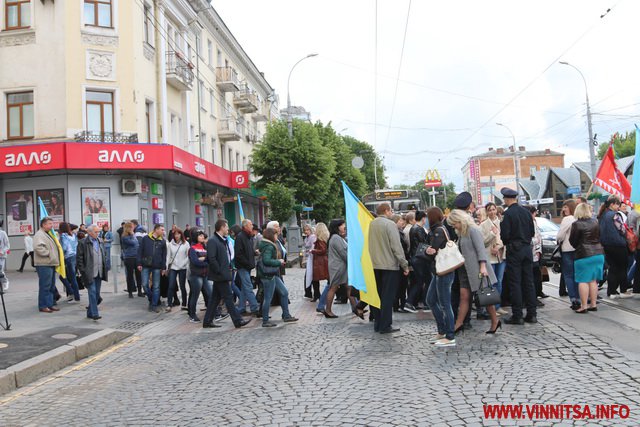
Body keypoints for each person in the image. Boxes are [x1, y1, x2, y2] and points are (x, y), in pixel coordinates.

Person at [448, 209, 500, 335]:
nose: (453, 226)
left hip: (477, 269)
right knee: (464, 297)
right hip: (465, 270)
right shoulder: (462, 232)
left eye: (454, 223)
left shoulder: (473, 230)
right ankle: (458, 324)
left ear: (460, 220)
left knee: (485, 298)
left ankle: (495, 321)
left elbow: (480, 249)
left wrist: (483, 267)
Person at [368, 203, 410, 334]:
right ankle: (385, 325)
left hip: (374, 265)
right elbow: (396, 247)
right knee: (388, 296)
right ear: (386, 211)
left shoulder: (372, 224)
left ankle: (378, 323)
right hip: (389, 265)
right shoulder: (390, 225)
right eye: (390, 211)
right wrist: (404, 264)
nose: (392, 213)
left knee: (378, 295)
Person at [202, 219, 251, 329]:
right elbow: (212, 258)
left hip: (224, 273)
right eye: (226, 227)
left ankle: (207, 321)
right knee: (228, 297)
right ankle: (237, 321)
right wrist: (219, 270)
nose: (228, 229)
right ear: (222, 227)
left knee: (214, 299)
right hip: (220, 275)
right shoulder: (213, 241)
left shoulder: (221, 240)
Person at [499, 188, 537, 325]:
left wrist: (509, 243)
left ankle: (518, 315)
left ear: (506, 199)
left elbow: (504, 235)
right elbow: (532, 231)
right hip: (527, 249)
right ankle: (532, 314)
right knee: (529, 282)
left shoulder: (507, 214)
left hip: (514, 250)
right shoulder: (526, 213)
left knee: (515, 283)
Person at [425, 207, 457, 347]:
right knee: (431, 299)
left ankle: (450, 336)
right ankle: (442, 330)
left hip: (444, 270)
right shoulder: (437, 230)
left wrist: (427, 250)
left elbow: (432, 250)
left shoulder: (438, 231)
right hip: (439, 271)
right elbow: (429, 249)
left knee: (445, 303)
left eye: (427, 216)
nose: (426, 219)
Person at [257, 227, 298, 327]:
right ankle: (265, 320)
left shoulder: (267, 244)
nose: (277, 236)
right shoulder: (269, 246)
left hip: (272, 274)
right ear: (271, 235)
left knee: (284, 292)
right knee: (268, 297)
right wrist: (278, 262)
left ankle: (286, 315)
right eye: (276, 234)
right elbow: (266, 260)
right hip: (268, 275)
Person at [570, 203, 605, 313]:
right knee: (593, 281)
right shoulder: (595, 222)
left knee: (583, 280)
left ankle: (584, 306)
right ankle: (593, 304)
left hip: (584, 255)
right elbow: (600, 236)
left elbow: (573, 241)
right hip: (598, 253)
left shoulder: (576, 224)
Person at [597, 195, 630, 299]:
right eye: (618, 204)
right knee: (622, 268)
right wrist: (626, 237)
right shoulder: (615, 215)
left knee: (613, 268)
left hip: (607, 245)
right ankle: (623, 290)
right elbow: (622, 229)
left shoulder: (602, 215)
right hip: (619, 245)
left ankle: (611, 291)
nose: (618, 206)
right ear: (612, 204)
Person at [480, 202, 507, 315]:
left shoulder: (502, 223)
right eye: (489, 210)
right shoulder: (483, 225)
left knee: (499, 281)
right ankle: (491, 308)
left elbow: (505, 238)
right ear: (486, 212)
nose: (492, 212)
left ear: (496, 210)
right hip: (489, 257)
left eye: (493, 209)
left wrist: (498, 247)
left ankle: (498, 306)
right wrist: (492, 233)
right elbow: (482, 241)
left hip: (500, 255)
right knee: (491, 283)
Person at [77, 224, 108, 320]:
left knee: (96, 294)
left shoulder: (100, 241)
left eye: (98, 232)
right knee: (92, 292)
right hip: (89, 272)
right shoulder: (83, 243)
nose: (98, 234)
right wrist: (83, 271)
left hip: (99, 271)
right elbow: (79, 258)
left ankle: (90, 312)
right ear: (89, 232)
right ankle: (95, 313)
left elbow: (104, 254)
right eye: (96, 232)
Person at [137, 224, 167, 313]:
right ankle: (152, 298)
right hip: (146, 264)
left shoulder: (163, 241)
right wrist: (139, 263)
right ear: (156, 230)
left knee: (156, 286)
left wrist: (164, 267)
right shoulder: (145, 239)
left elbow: (164, 255)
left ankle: (154, 305)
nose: (163, 231)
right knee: (145, 285)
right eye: (162, 229)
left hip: (157, 266)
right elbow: (140, 251)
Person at [34, 217, 61, 313]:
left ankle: (50, 304)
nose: (51, 226)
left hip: (50, 263)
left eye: (52, 223)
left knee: (51, 285)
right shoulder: (39, 234)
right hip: (44, 263)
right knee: (45, 285)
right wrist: (49, 254)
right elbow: (38, 248)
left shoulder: (47, 234)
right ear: (43, 224)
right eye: (49, 223)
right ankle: (43, 305)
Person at [234, 219, 260, 316]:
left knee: (245, 288)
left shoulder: (248, 237)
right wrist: (248, 263)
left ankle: (241, 308)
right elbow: (239, 254)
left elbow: (248, 251)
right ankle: (254, 308)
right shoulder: (240, 237)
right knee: (248, 287)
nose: (252, 226)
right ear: (245, 226)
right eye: (250, 225)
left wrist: (254, 253)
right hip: (243, 267)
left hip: (247, 266)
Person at [406, 210, 430, 313]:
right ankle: (419, 302)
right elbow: (424, 243)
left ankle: (412, 302)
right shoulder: (419, 229)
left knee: (419, 281)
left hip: (415, 258)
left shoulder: (413, 228)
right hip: (420, 259)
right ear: (423, 218)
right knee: (423, 281)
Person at [557, 200, 578, 310]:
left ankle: (574, 298)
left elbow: (560, 236)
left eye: (566, 207)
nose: (564, 209)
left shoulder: (567, 219)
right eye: (563, 207)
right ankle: (580, 297)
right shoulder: (577, 217)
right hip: (578, 250)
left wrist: (559, 239)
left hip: (567, 250)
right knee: (577, 274)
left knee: (569, 275)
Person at [187, 231, 210, 323]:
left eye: (202, 235)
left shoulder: (204, 247)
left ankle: (215, 313)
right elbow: (195, 261)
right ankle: (192, 315)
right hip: (196, 275)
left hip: (204, 275)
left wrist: (203, 260)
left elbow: (208, 259)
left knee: (210, 293)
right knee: (195, 295)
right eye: (200, 235)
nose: (202, 237)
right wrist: (205, 262)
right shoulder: (192, 249)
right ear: (196, 237)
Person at [165, 227, 189, 312]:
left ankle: (184, 304)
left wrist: (183, 263)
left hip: (182, 268)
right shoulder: (170, 244)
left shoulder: (186, 244)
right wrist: (166, 267)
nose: (176, 236)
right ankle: (169, 304)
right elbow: (168, 256)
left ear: (181, 234)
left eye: (178, 234)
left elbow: (188, 256)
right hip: (173, 267)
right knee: (171, 285)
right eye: (175, 234)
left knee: (182, 286)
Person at [311, 223, 331, 315]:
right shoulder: (326, 239)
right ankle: (356, 306)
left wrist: (313, 250)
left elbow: (322, 250)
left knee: (331, 284)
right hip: (326, 262)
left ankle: (321, 305)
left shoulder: (320, 240)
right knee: (331, 284)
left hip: (322, 263)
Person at [58, 222, 80, 303]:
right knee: (72, 278)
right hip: (74, 256)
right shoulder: (73, 235)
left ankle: (72, 293)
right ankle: (75, 295)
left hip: (68, 257)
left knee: (63, 277)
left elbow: (64, 248)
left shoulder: (63, 236)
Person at [120, 222, 142, 298]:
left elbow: (137, 244)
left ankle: (139, 291)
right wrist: (133, 235)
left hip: (136, 257)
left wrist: (133, 236)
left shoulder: (132, 235)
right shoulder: (124, 237)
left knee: (138, 274)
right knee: (130, 275)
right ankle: (130, 292)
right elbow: (134, 243)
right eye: (132, 227)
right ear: (129, 228)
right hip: (129, 257)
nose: (133, 228)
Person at [0, 220, 9, 291]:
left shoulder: (3, 233)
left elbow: (7, 245)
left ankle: (5, 281)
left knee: (0, 271)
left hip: (1, 256)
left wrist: (2, 251)